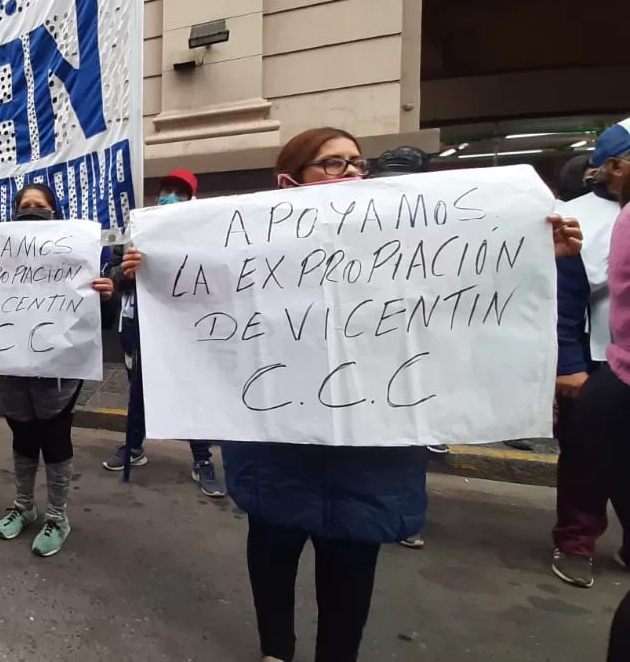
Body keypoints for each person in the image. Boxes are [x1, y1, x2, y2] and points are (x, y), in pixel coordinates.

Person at [120, 127, 582, 662]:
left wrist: (533, 253)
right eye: (333, 164)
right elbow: (202, 304)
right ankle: (277, 651)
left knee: (352, 565)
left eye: (357, 163)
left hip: (371, 447)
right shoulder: (244, 243)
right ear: (289, 182)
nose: (352, 173)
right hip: (279, 441)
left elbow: (463, 295)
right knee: (272, 549)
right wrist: (151, 270)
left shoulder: (407, 241)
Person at [0, 183, 112, 557]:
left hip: (59, 371)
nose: (31, 210)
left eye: (39, 205)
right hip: (11, 368)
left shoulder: (76, 255)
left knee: (53, 438)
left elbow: (102, 320)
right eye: (24, 205)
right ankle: (24, 506)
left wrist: (105, 296)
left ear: (55, 211)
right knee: (22, 437)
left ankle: (57, 516)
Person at [102, 169, 224, 498]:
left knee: (189, 392)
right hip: (137, 327)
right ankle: (133, 448)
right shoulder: (135, 233)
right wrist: (126, 272)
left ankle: (202, 460)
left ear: (190, 201)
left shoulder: (202, 236)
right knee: (138, 391)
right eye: (166, 190)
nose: (170, 196)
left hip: (183, 331)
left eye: (179, 193)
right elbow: (111, 277)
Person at [552, 120, 630, 588]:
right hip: (595, 358)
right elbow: (564, 297)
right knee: (584, 459)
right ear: (615, 167)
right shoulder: (571, 215)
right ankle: (576, 541)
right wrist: (569, 363)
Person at [368, 144, 442, 551]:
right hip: (367, 350)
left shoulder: (438, 226)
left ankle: (399, 514)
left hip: (409, 349)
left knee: (404, 434)